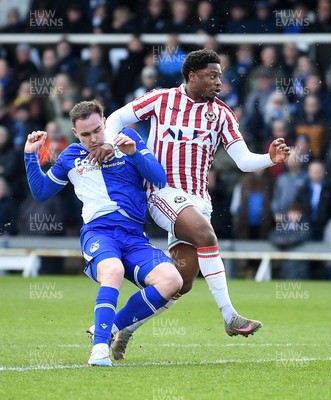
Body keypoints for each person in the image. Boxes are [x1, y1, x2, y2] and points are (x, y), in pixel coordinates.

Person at [102, 49, 291, 355]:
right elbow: (116, 118)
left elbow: (242, 161)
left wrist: (269, 159)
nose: (219, 82)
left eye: (220, 75)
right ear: (192, 76)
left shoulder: (221, 114)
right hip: (163, 193)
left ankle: (123, 329)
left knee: (180, 282)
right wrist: (111, 144)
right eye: (212, 75)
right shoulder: (161, 99)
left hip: (198, 201)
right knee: (206, 236)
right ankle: (230, 316)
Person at [23, 100, 182, 366]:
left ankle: (108, 327)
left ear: (105, 122)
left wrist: (133, 153)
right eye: (85, 134)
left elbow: (159, 178)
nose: (93, 139)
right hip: (99, 233)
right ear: (76, 133)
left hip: (133, 236)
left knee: (172, 281)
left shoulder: (127, 138)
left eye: (97, 130)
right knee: (114, 271)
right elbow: (41, 192)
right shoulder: (71, 156)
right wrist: (30, 154)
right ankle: (98, 351)